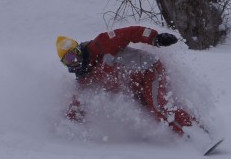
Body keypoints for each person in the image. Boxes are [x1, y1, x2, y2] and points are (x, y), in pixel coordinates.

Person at [55, 26, 196, 135]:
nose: (75, 61)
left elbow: (130, 32)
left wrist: (155, 38)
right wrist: (68, 124)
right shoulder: (84, 79)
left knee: (158, 106)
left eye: (75, 54)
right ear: (65, 64)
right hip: (135, 86)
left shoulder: (101, 44)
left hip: (149, 69)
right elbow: (80, 101)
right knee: (150, 113)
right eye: (69, 60)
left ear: (79, 49)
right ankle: (177, 138)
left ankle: (196, 134)